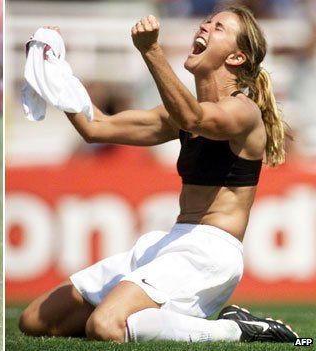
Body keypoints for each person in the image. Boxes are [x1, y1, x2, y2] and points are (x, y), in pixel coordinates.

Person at [18, 6, 298, 343]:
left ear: (237, 57)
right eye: (207, 20)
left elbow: (194, 119)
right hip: (171, 242)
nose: (205, 26)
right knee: (36, 320)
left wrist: (151, 50)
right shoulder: (180, 113)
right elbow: (96, 127)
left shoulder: (243, 111)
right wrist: (56, 72)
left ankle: (237, 329)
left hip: (210, 254)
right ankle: (149, 316)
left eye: (218, 27)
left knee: (106, 325)